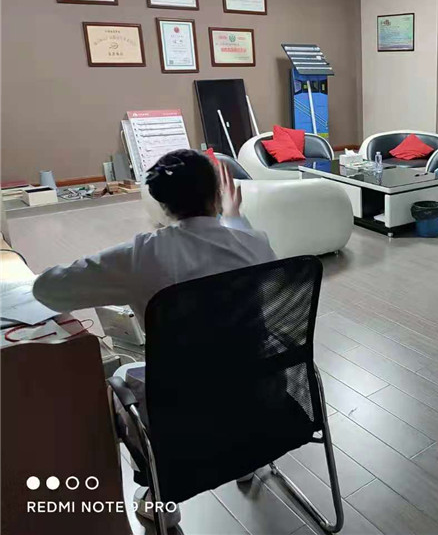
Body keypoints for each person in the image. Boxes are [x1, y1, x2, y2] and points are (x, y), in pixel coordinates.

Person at [33, 149, 277, 526]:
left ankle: (160, 493)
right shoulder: (256, 244)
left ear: (163, 204)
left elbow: (47, 290)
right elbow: (242, 243)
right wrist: (233, 216)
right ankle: (243, 459)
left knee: (121, 380)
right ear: (216, 194)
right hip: (258, 394)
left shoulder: (141, 256)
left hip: (184, 407)